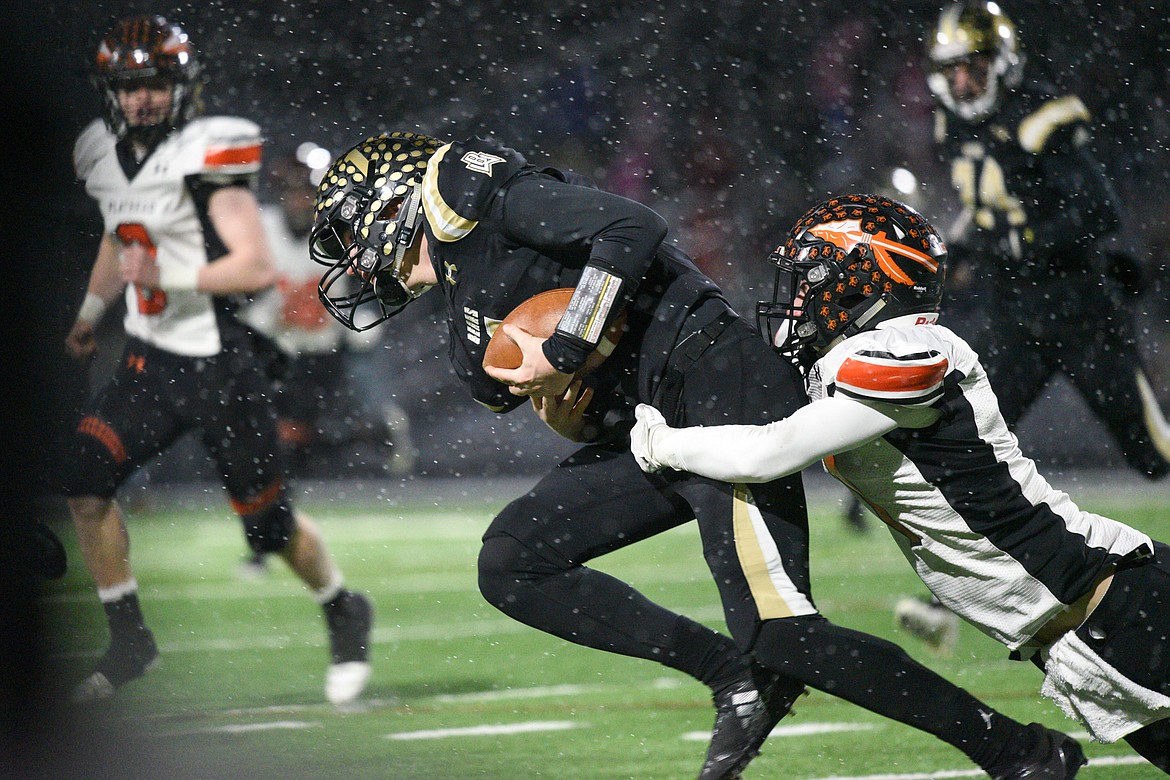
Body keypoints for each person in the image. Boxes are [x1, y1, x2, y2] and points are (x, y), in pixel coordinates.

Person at [311, 132, 1084, 778]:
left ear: (393, 198)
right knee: (511, 561)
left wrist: (575, 338)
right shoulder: (462, 311)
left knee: (783, 631)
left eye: (350, 235)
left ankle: (1016, 752)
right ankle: (732, 678)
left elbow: (632, 229)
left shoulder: (478, 196)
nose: (351, 262)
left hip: (717, 381)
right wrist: (564, 385)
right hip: (652, 429)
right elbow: (548, 401)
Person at [631, 193, 1170, 773]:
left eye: (814, 277)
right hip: (1077, 637)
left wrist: (663, 444)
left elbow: (771, 451)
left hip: (1120, 606)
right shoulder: (860, 354)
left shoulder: (905, 348)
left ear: (861, 284)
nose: (800, 297)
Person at [62, 15, 373, 706]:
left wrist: (163, 280)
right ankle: (129, 638)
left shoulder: (207, 155)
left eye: (154, 83)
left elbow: (254, 266)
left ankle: (343, 608)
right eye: (129, 85)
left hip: (217, 365)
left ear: (181, 86)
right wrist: (90, 312)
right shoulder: (99, 151)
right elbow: (121, 239)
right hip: (150, 359)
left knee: (268, 525)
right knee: (85, 480)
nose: (141, 98)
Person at [857, 0, 1170, 645]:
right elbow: (987, 211)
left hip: (1079, 313)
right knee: (967, 453)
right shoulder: (952, 125)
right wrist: (961, 250)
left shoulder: (1042, 118)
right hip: (1017, 318)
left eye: (973, 69)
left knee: (1154, 456)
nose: (963, 84)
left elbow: (1097, 213)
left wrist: (1014, 242)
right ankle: (947, 604)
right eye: (954, 71)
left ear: (1001, 64)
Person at [238, 143, 416, 577]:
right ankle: (264, 543)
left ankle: (373, 432)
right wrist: (261, 313)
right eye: (295, 192)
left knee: (295, 449)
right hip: (273, 351)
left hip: (326, 354)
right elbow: (236, 292)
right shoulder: (259, 230)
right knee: (272, 450)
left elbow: (380, 290)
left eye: (309, 192)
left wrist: (358, 313)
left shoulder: (345, 233)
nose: (301, 201)